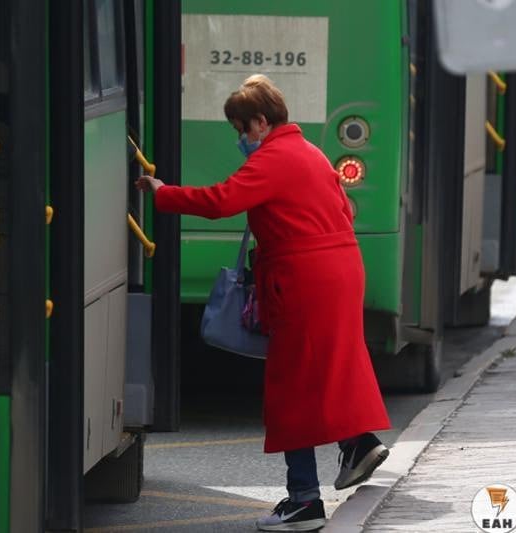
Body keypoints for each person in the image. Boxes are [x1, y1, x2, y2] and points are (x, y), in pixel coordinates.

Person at [136, 74, 391, 532]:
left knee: (291, 386)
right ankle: (357, 442)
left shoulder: (273, 158)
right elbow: (346, 210)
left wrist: (163, 194)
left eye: (241, 129)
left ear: (260, 121)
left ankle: (304, 501)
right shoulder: (309, 152)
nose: (240, 138)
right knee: (327, 368)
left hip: (305, 279)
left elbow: (221, 201)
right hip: (340, 270)